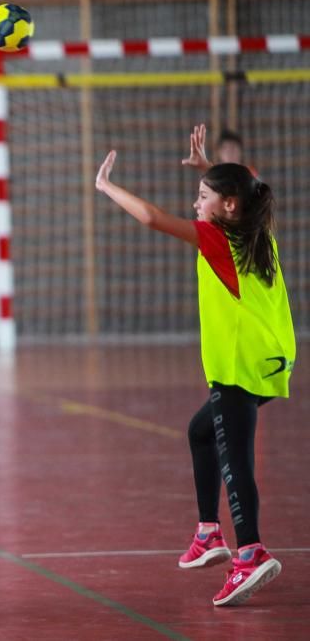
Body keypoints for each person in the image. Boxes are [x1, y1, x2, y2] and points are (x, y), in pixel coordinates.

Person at [96, 137, 295, 607]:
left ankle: (250, 552)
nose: (194, 203)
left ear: (227, 205)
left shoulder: (217, 237)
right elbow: (249, 189)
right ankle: (209, 533)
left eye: (202, 196)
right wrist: (212, 168)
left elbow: (150, 217)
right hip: (270, 361)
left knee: (235, 458)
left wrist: (106, 186)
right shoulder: (257, 231)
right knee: (201, 432)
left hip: (238, 366)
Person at [182, 124, 257, 176]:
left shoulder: (250, 173)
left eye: (233, 148)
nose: (229, 152)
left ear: (241, 151)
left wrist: (207, 168)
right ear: (219, 153)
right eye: (225, 149)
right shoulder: (213, 177)